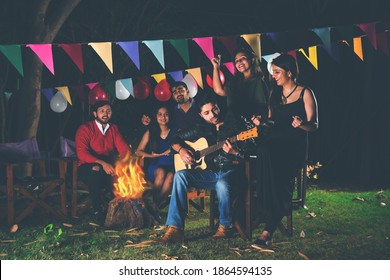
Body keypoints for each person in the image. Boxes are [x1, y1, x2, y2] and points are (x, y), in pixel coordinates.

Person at [160, 94, 250, 243]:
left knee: (222, 184)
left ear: (218, 107)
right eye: (207, 113)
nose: (213, 115)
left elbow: (248, 151)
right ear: (201, 115)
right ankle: (175, 228)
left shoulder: (234, 124)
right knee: (180, 176)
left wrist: (234, 152)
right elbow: (173, 139)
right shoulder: (200, 129)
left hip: (230, 172)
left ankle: (225, 226)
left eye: (214, 109)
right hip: (209, 174)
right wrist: (182, 150)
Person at [251, 54, 318, 246]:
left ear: (289, 72)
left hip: (294, 146)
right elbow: (272, 123)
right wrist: (262, 122)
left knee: (275, 165)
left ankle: (267, 228)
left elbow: (314, 124)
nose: (274, 76)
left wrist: (301, 124)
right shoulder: (274, 94)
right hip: (274, 144)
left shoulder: (305, 92)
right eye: (273, 72)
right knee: (263, 150)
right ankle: (269, 221)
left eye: (278, 72)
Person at [75, 100, 131, 215]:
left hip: (107, 164)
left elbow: (123, 149)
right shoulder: (85, 128)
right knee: (96, 169)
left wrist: (126, 161)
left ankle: (118, 208)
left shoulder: (113, 128)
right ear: (95, 114)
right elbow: (81, 153)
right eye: (102, 111)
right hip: (87, 166)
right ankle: (97, 209)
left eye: (108, 111)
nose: (105, 114)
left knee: (120, 170)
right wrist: (102, 163)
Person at [211, 47, 268, 121]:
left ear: (252, 59)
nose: (239, 62)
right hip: (235, 125)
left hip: (253, 125)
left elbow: (263, 106)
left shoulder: (259, 80)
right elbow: (219, 90)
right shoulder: (234, 82)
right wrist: (216, 67)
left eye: (243, 58)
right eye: (236, 61)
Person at [136, 105, 177, 207]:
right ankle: (156, 206)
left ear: (169, 116)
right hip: (156, 166)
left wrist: (173, 150)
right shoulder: (151, 132)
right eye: (160, 114)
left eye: (166, 114)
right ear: (156, 117)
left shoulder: (176, 131)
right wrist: (151, 155)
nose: (163, 117)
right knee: (161, 172)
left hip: (173, 165)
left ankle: (154, 206)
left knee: (171, 176)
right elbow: (138, 151)